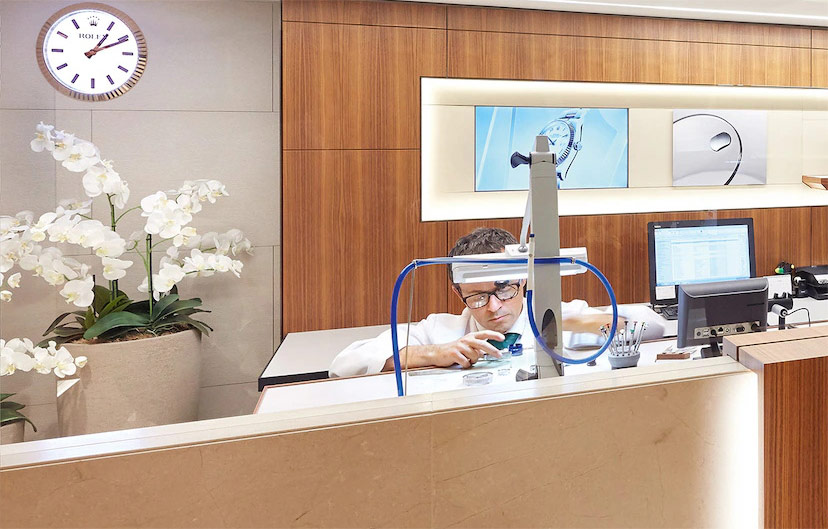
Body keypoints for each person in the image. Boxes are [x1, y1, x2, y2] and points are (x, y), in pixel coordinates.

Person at [328, 227, 616, 378]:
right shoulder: (440, 330)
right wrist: (434, 354)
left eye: (504, 289)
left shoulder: (560, 316)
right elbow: (344, 365)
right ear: (458, 293)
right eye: (478, 297)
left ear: (523, 279)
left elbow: (637, 328)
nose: (493, 307)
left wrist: (589, 324)